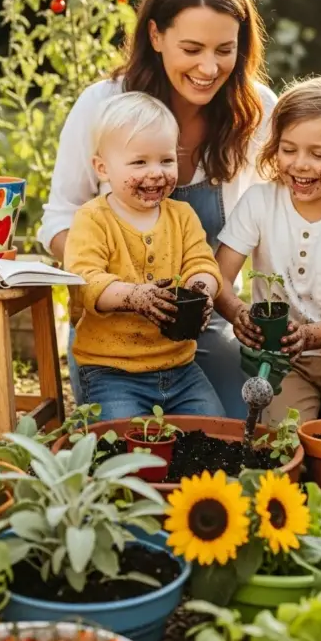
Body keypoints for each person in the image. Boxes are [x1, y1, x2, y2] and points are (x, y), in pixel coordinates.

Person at [38, 0, 277, 418]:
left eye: (224, 49)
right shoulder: (104, 104)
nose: (209, 67)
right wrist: (124, 288)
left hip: (198, 325)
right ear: (155, 36)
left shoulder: (256, 110)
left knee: (241, 424)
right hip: (114, 333)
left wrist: (213, 296)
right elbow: (58, 219)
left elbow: (280, 211)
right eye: (192, 48)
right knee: (128, 439)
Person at [215, 73, 321, 424]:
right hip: (280, 359)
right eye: (288, 149)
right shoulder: (260, 202)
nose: (300, 164)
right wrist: (237, 312)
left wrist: (309, 336)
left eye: (319, 153)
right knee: (285, 439)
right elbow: (218, 274)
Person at [64, 91, 225, 421]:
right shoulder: (92, 219)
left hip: (180, 368)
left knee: (214, 430)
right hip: (111, 372)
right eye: (139, 162)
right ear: (102, 168)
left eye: (166, 160)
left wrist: (201, 287)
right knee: (122, 446)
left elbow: (201, 261)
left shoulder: (182, 216)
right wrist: (135, 297)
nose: (156, 173)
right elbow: (85, 280)